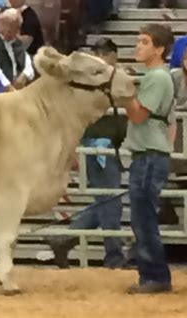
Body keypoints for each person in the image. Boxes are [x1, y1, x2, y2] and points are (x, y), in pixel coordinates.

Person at [46, 38, 127, 269]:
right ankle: (114, 256)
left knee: (106, 199)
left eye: (103, 53)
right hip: (98, 143)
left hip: (109, 142)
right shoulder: (91, 82)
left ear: (113, 55)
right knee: (110, 199)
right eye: (97, 53)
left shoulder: (113, 78)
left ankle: (65, 239)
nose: (100, 57)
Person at [124, 24, 175, 294]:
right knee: (143, 217)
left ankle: (154, 276)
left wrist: (123, 93)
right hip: (150, 152)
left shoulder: (156, 77)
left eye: (144, 42)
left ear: (159, 49)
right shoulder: (158, 77)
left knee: (143, 219)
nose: (138, 46)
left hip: (149, 155)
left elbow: (138, 115)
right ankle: (152, 274)